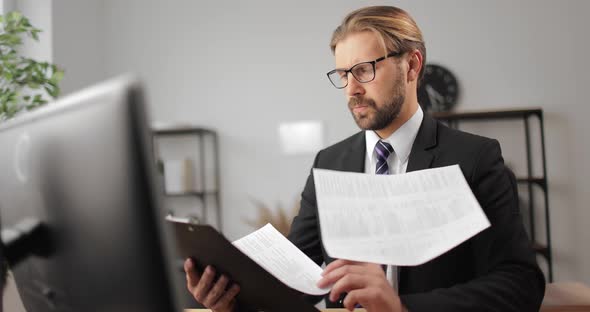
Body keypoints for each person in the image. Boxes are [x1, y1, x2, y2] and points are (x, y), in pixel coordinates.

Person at [185, 5, 545, 312]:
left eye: (363, 70)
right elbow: (298, 276)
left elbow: (521, 283)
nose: (352, 88)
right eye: (343, 74)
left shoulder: (475, 158)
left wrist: (403, 307)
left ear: (412, 65)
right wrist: (234, 298)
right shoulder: (329, 162)